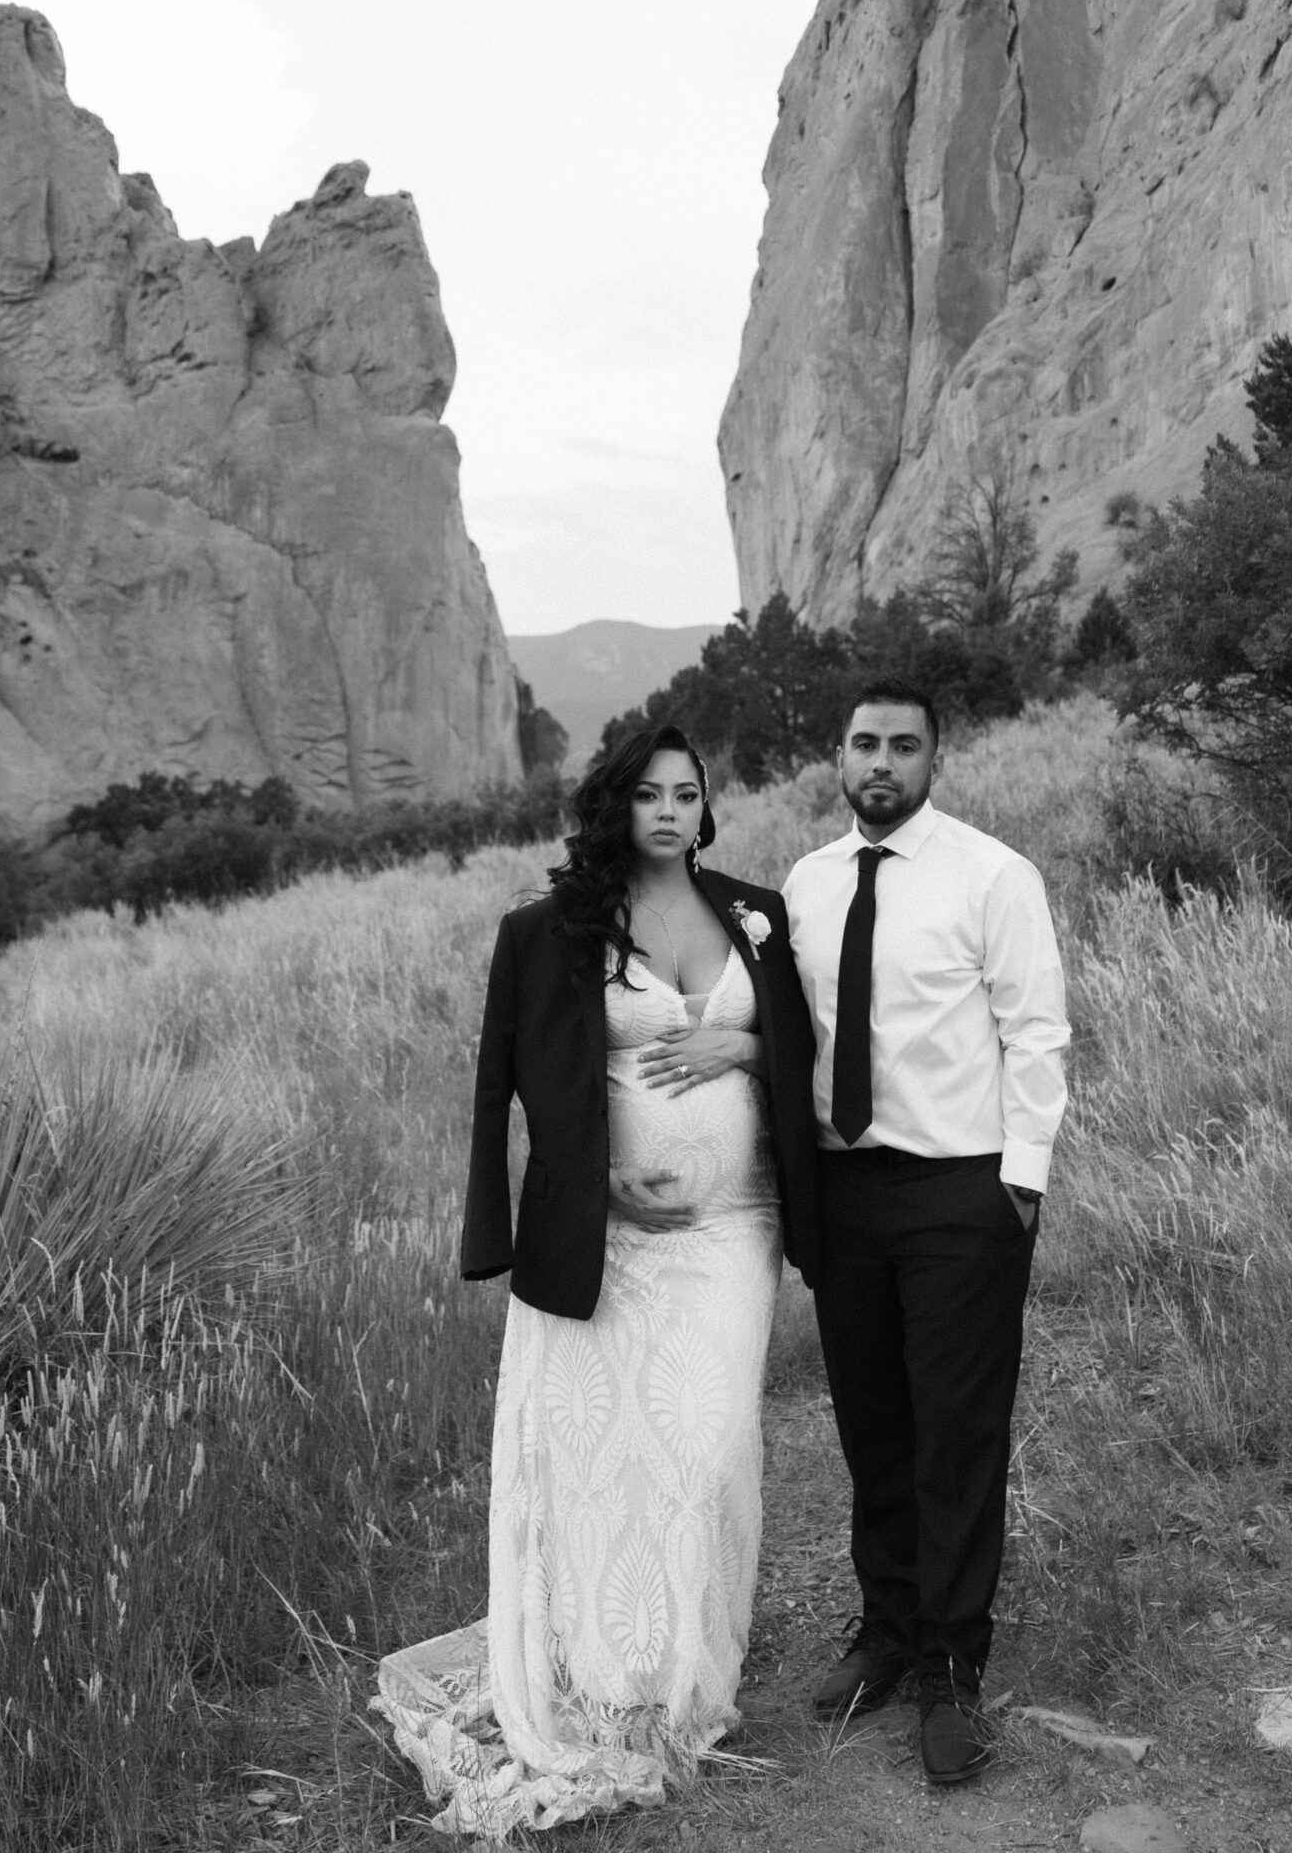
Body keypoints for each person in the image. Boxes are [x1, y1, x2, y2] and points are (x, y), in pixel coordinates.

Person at [375, 723, 820, 1836]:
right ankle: (613, 1674)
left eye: (690, 792)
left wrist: (750, 1049)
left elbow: (816, 1045)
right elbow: (502, 1085)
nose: (672, 810)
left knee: (709, 1443)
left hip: (735, 1226)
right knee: (599, 1454)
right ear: (617, 805)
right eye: (651, 793)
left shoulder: (755, 912)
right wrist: (588, 1176)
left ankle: (686, 1687)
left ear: (707, 805)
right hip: (604, 1243)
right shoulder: (547, 930)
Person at [782, 678, 1069, 1789]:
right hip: (846, 1193)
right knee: (873, 1424)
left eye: (905, 745)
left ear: (936, 759)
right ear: (838, 756)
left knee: (957, 1433)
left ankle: (954, 1666)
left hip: (961, 1190)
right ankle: (888, 1632)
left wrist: (1023, 1180)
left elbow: (1036, 1032)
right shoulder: (805, 887)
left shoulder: (994, 875)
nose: (883, 763)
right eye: (865, 744)